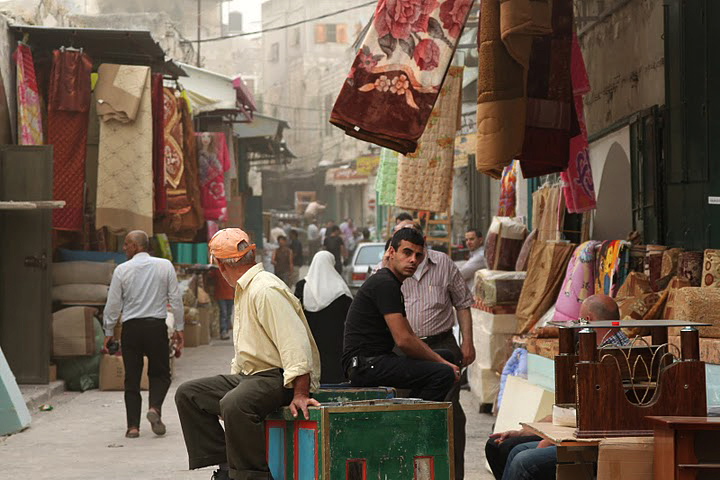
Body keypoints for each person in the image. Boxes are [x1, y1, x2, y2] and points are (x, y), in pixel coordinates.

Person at [175, 228, 321, 480]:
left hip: (279, 377)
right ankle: (226, 467)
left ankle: (252, 476)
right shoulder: (246, 288)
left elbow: (294, 344)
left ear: (221, 266)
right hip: (252, 377)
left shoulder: (265, 289)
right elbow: (246, 351)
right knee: (189, 394)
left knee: (235, 404)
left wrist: (300, 393)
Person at [486, 294, 626, 480]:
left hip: (597, 439)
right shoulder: (602, 347)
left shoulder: (611, 356)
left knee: (521, 459)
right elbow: (574, 409)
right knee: (499, 446)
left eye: (579, 320)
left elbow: (596, 415)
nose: (577, 325)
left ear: (588, 320)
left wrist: (549, 441)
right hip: (578, 427)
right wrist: (529, 431)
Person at [384, 221, 475, 480]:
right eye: (405, 248)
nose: (412, 256)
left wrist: (467, 341)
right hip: (403, 349)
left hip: (441, 344)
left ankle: (452, 474)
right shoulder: (388, 270)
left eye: (417, 248)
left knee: (448, 413)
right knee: (405, 411)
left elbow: (463, 302)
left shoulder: (443, 263)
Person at [342, 228, 460, 402]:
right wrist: (442, 364)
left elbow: (409, 334)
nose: (413, 260)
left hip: (377, 360)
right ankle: (413, 422)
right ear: (391, 252)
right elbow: (404, 340)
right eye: (407, 252)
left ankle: (410, 407)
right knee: (443, 373)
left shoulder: (393, 283)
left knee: (447, 356)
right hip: (365, 365)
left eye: (418, 256)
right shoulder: (384, 283)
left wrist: (441, 360)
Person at [103, 230, 184, 439]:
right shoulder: (164, 266)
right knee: (160, 373)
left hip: (131, 329)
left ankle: (133, 427)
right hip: (156, 327)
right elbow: (175, 298)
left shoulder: (122, 270)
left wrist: (108, 331)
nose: (123, 248)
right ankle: (154, 408)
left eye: (126, 244)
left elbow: (113, 304)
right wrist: (180, 328)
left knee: (132, 377)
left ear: (137, 246)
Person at [295, 251, 353, 384]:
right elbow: (350, 319)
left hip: (311, 343)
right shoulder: (341, 290)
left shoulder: (302, 286)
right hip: (336, 345)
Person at [210, 267, 234, 340]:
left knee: (228, 314)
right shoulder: (217, 269)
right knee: (224, 313)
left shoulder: (232, 269)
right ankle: (223, 331)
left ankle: (225, 330)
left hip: (229, 295)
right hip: (222, 295)